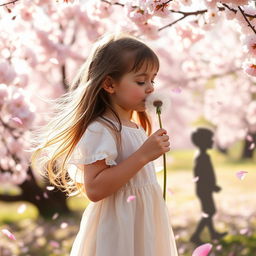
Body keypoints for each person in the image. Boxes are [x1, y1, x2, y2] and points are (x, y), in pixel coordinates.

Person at [30, 32, 178, 256]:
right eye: (141, 81)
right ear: (109, 84)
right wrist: (143, 156)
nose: (150, 88)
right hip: (120, 228)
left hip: (142, 223)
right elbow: (96, 189)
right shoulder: (101, 129)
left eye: (152, 80)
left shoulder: (134, 126)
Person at [190, 127, 228, 245]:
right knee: (210, 211)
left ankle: (213, 233)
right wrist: (212, 186)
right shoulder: (202, 157)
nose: (212, 141)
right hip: (204, 190)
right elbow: (203, 176)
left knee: (208, 211)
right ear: (203, 142)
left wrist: (212, 186)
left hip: (204, 189)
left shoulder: (202, 155)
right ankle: (195, 236)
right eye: (210, 139)